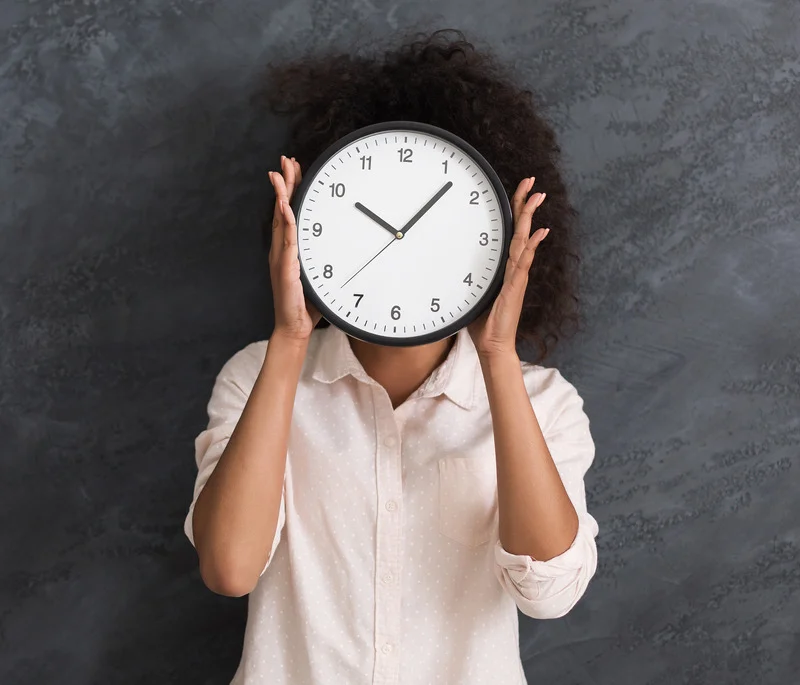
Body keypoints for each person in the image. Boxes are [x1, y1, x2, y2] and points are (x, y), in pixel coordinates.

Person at [184, 28, 599, 685]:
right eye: (375, 221)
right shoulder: (255, 376)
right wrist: (290, 340)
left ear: (493, 238)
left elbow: (549, 593)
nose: (402, 241)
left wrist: (497, 355)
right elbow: (229, 569)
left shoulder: (546, 402)